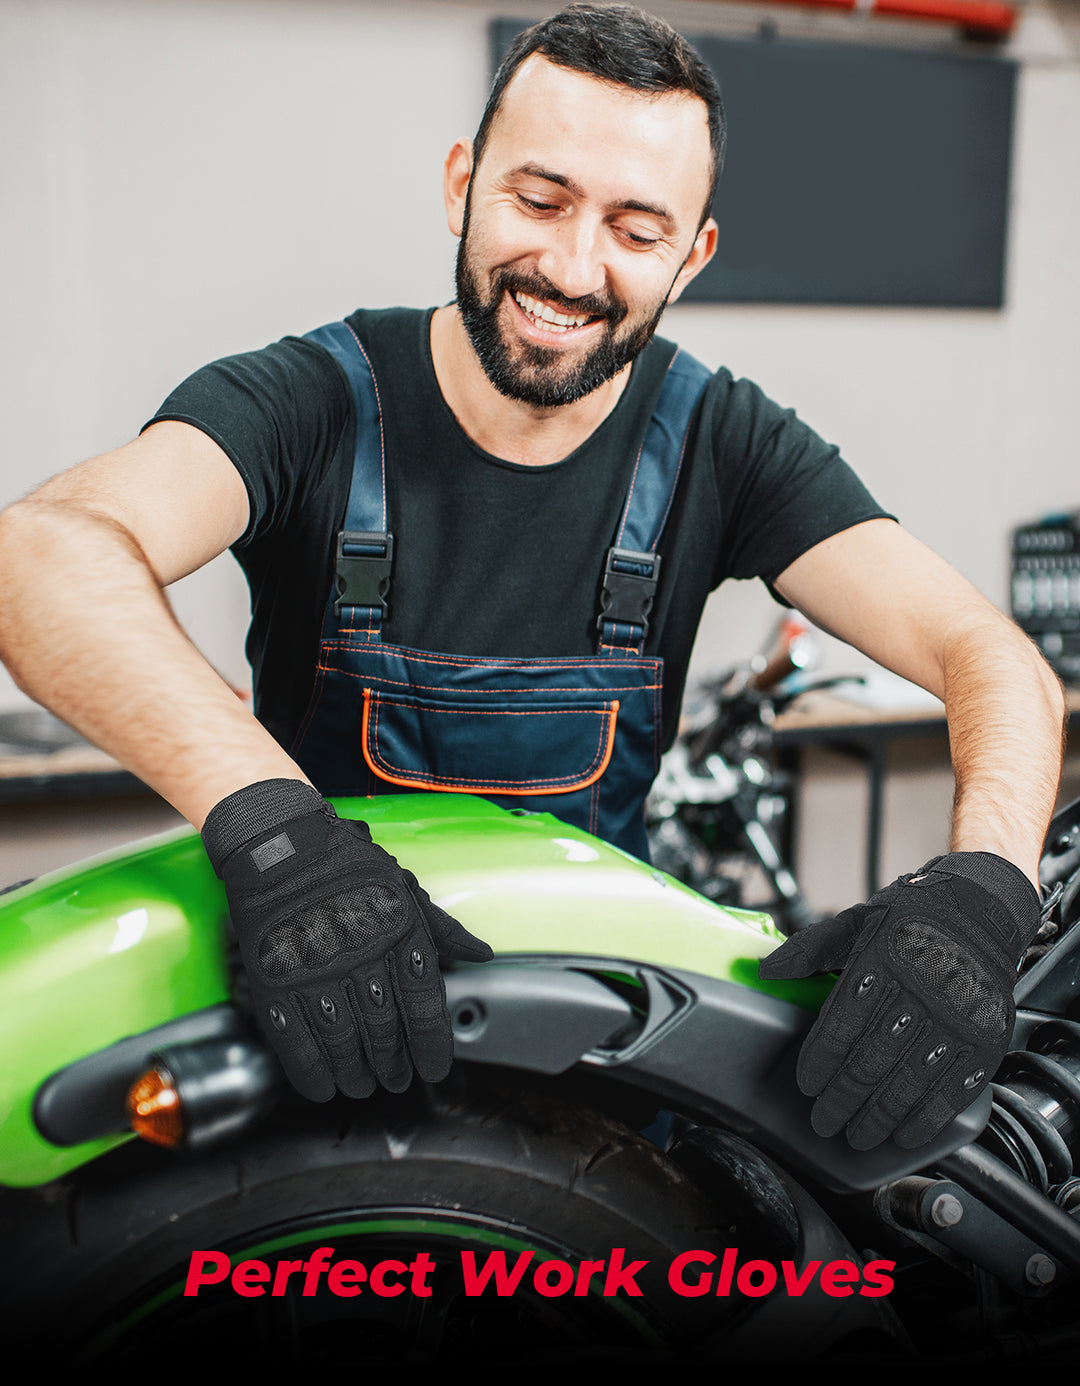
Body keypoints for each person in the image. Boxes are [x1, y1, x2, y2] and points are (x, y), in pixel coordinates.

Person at [0, 5, 1065, 1150]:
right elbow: (40, 554)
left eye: (636, 230)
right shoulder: (311, 402)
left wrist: (984, 891)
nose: (571, 267)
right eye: (540, 200)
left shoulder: (723, 442)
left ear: (692, 256)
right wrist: (275, 837)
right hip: (323, 1037)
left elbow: (990, 657)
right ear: (462, 184)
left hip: (596, 1082)